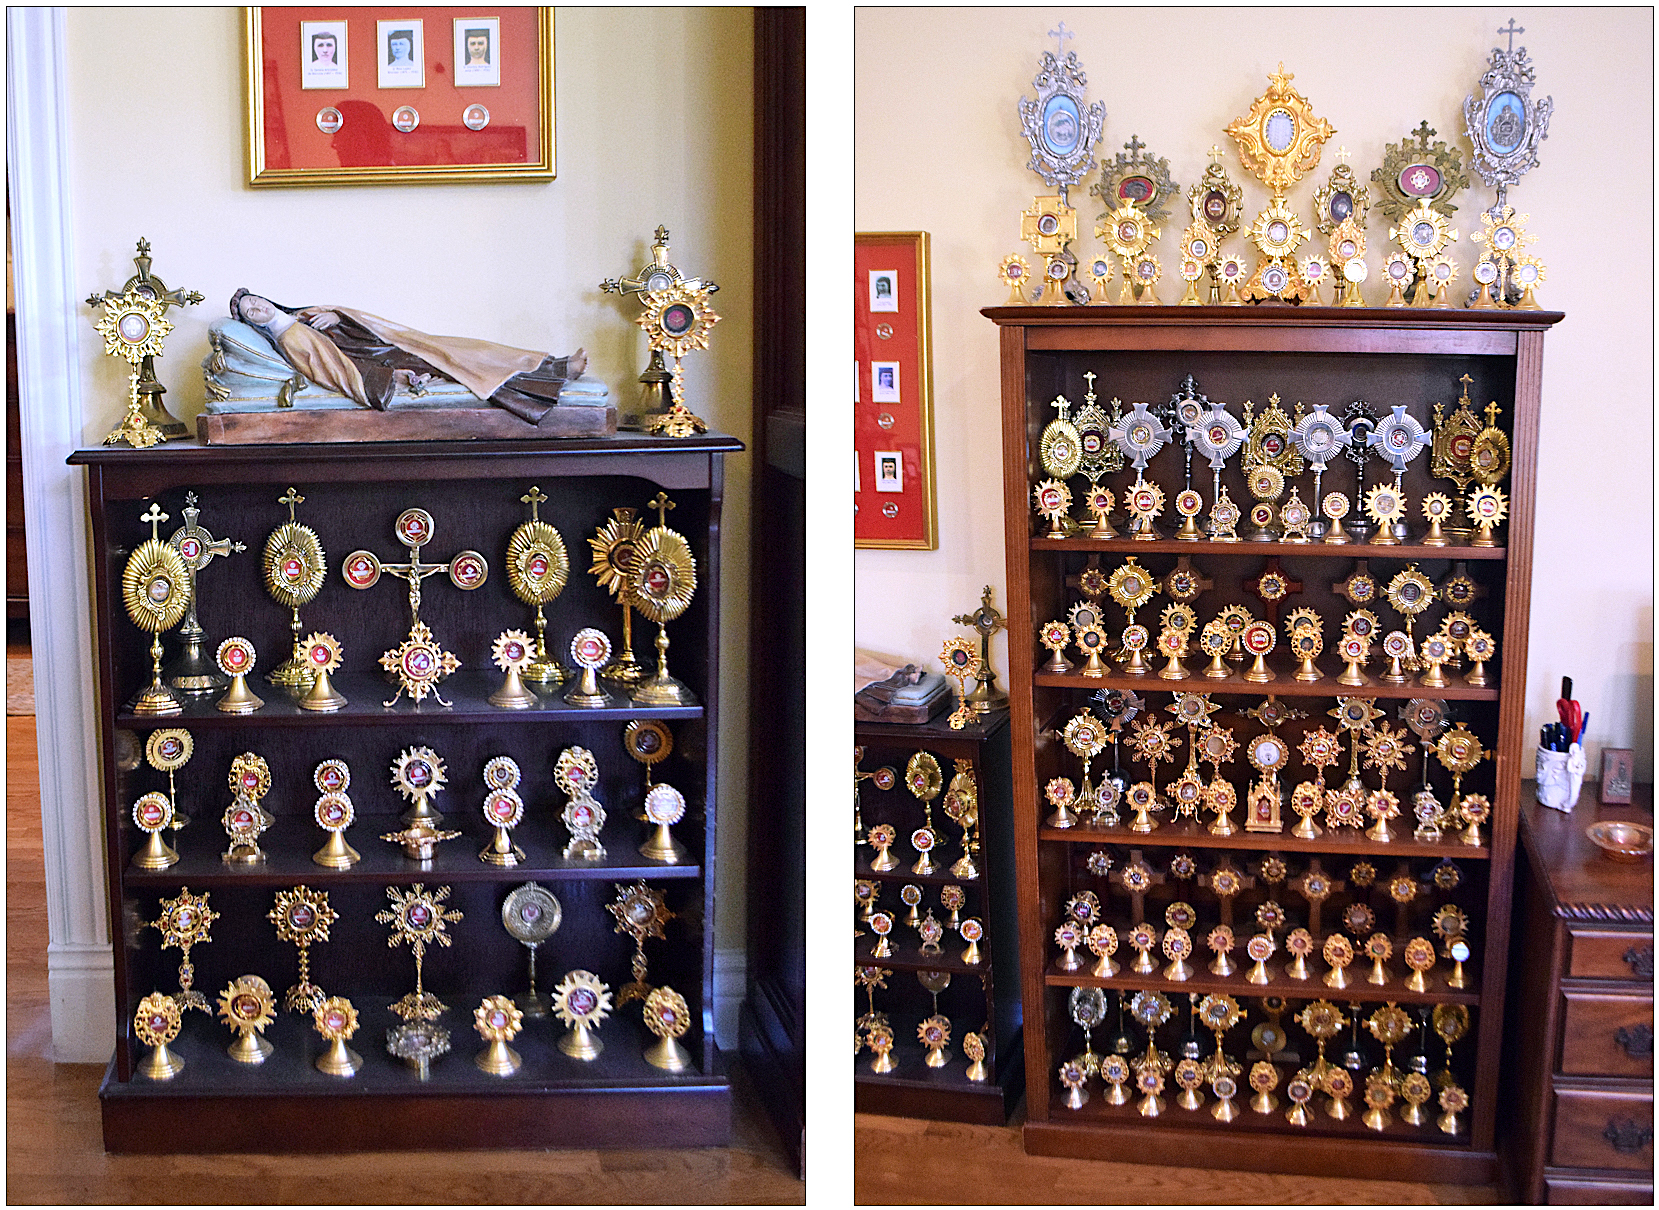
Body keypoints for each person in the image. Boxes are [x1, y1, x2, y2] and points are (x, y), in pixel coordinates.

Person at [229, 289, 587, 423]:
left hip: (389, 345)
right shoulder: (291, 337)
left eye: (256, 301)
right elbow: (334, 370)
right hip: (383, 362)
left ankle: (552, 365)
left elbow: (354, 325)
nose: (258, 308)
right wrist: (390, 378)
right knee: (465, 364)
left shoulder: (299, 315)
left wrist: (338, 316)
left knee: (470, 349)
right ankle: (552, 377)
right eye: (251, 311)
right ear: (253, 323)